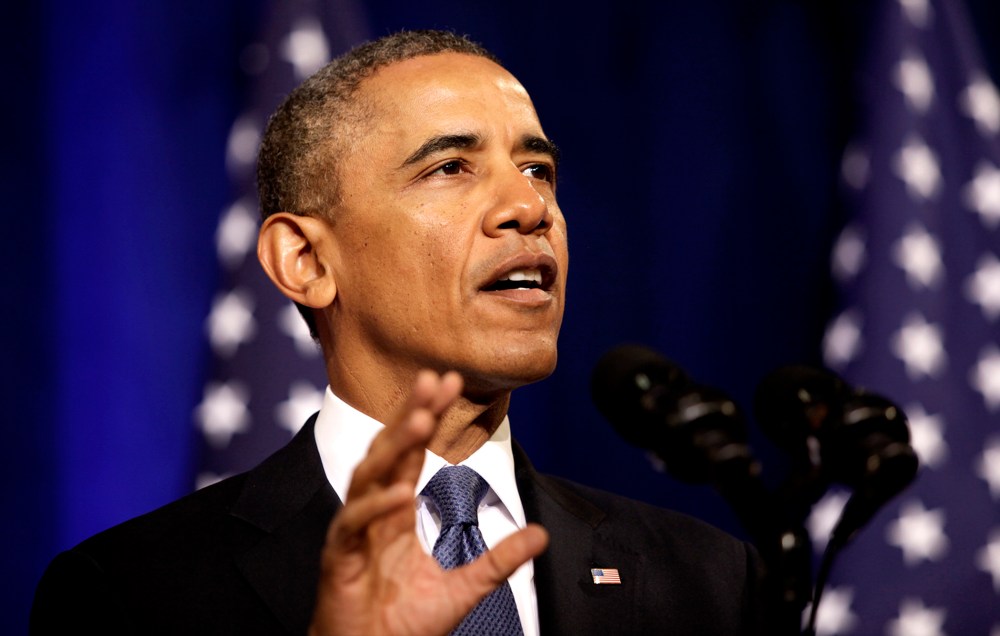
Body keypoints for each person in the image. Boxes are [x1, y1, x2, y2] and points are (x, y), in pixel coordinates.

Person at [31, 30, 762, 635]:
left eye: (537, 168)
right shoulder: (135, 592)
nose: (528, 206)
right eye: (450, 167)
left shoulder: (706, 581)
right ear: (306, 260)